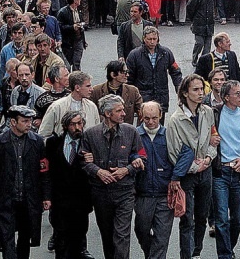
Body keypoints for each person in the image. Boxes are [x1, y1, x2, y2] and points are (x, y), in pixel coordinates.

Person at [81, 94, 144, 259]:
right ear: (108, 114)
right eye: (119, 110)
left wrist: (127, 169)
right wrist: (98, 171)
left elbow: (141, 156)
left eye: (123, 110)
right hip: (101, 193)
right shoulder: (90, 134)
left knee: (122, 235)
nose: (124, 113)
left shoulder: (131, 132)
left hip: (125, 192)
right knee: (107, 234)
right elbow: (83, 162)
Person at [0, 105, 51, 259]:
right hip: (6, 199)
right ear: (13, 122)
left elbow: (44, 171)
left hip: (29, 200)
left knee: (25, 238)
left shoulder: (37, 142)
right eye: (25, 121)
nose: (29, 124)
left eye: (30, 120)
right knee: (6, 239)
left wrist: (46, 196)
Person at [166, 74, 217, 259]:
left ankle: (197, 253)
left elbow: (214, 140)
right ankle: (186, 255)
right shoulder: (175, 120)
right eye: (195, 90)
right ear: (185, 93)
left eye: (201, 89)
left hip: (206, 170)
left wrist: (208, 159)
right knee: (187, 219)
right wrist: (195, 167)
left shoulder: (208, 112)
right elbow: (173, 153)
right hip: (188, 174)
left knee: (202, 215)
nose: (200, 93)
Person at [211, 80, 240, 259]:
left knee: (236, 219)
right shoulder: (215, 114)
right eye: (237, 93)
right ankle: (225, 255)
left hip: (239, 173)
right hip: (220, 172)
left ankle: (229, 247)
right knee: (221, 219)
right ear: (226, 97)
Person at [45, 111, 94, 259]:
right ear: (66, 126)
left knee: (78, 239)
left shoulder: (89, 143)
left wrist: (92, 161)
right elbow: (47, 172)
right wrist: (47, 196)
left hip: (80, 202)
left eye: (80, 123)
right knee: (61, 240)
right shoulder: (53, 144)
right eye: (73, 124)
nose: (78, 127)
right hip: (60, 202)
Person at [134, 102, 177, 259]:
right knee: (141, 230)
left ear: (160, 116)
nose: (151, 122)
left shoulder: (169, 134)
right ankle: (150, 254)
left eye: (154, 118)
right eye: (146, 118)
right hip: (142, 194)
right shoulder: (135, 135)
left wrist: (175, 177)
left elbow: (184, 154)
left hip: (164, 194)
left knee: (162, 236)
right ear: (141, 117)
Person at [126, 26, 183, 118]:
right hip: (143, 97)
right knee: (143, 125)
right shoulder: (134, 55)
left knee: (159, 127)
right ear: (144, 39)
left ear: (158, 39)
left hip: (161, 96)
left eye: (154, 39)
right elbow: (129, 78)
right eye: (149, 39)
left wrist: (180, 90)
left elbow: (175, 72)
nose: (152, 42)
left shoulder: (166, 53)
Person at [38, 71, 100, 137]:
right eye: (88, 86)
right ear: (77, 88)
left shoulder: (92, 107)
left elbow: (97, 133)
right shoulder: (57, 107)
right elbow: (43, 134)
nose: (91, 89)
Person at [56, 0, 87, 71]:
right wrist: (72, 27)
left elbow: (82, 23)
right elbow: (60, 27)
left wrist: (84, 41)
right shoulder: (63, 12)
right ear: (74, 0)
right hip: (68, 42)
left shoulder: (78, 11)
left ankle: (76, 78)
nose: (80, 0)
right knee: (68, 63)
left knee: (77, 62)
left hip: (78, 39)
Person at [33, 63, 70, 128]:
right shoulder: (43, 99)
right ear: (57, 79)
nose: (69, 78)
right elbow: (35, 118)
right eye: (66, 75)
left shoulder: (70, 96)